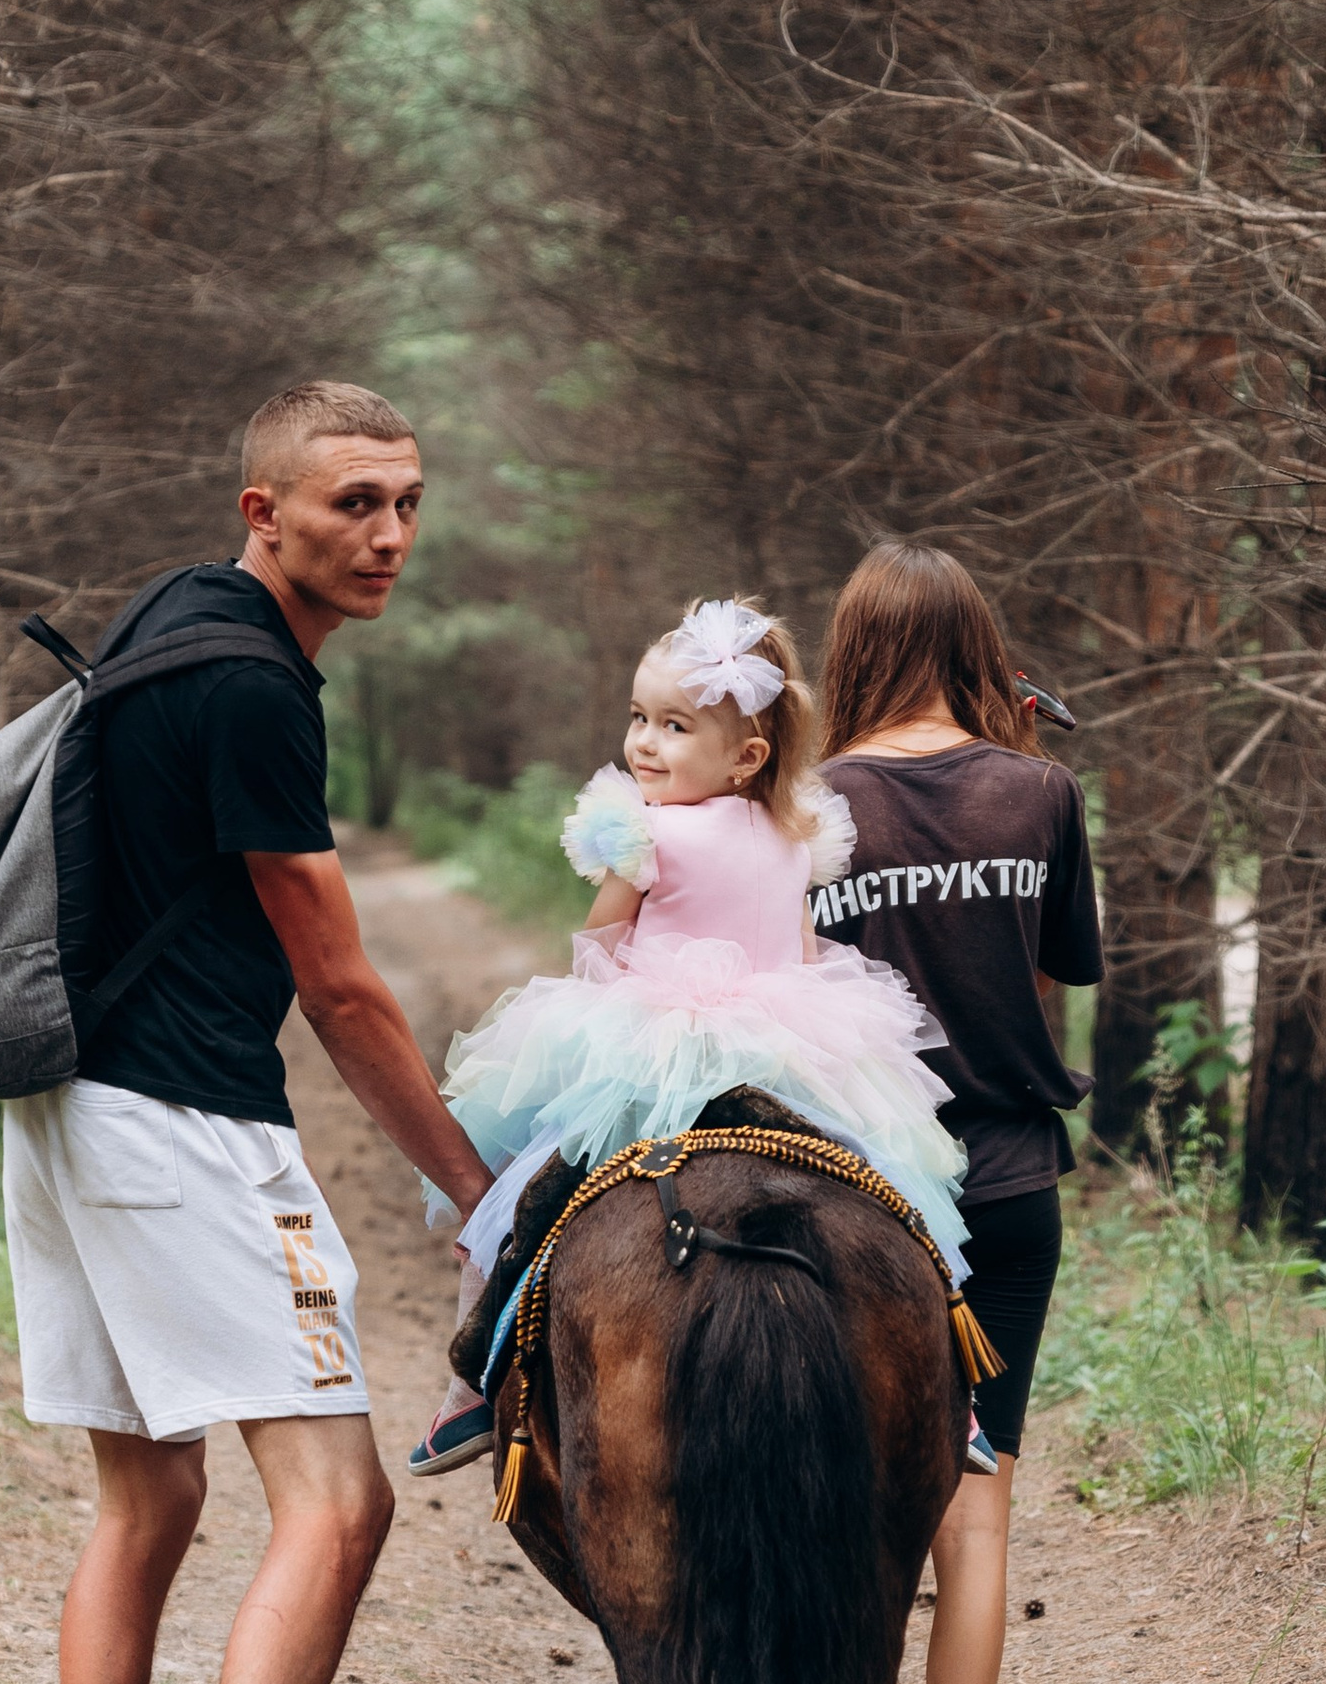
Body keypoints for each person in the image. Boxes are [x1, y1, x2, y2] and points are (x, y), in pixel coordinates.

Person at [8, 380, 495, 1684]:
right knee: (341, 1497)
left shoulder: (168, 624)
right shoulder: (255, 686)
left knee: (149, 1489)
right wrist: (475, 1185)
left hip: (59, 1113)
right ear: (261, 510)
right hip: (184, 1122)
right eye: (353, 500)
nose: (388, 534)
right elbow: (344, 987)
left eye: (408, 499)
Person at [409, 598, 968, 1473]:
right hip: (787, 1036)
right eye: (639, 719)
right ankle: (954, 1387)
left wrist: (592, 1015)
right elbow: (803, 950)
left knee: (517, 1200)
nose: (644, 743)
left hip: (650, 1038)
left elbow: (598, 946)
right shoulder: (800, 833)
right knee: (888, 1176)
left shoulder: (642, 829)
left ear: (748, 755)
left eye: (674, 726)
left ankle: (473, 1390)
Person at [814, 540, 1105, 1684]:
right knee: (971, 1505)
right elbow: (1042, 976)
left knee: (853, 1504)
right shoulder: (1040, 788)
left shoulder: (804, 807)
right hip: (998, 1187)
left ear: (851, 652)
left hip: (847, 1199)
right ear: (985, 645)